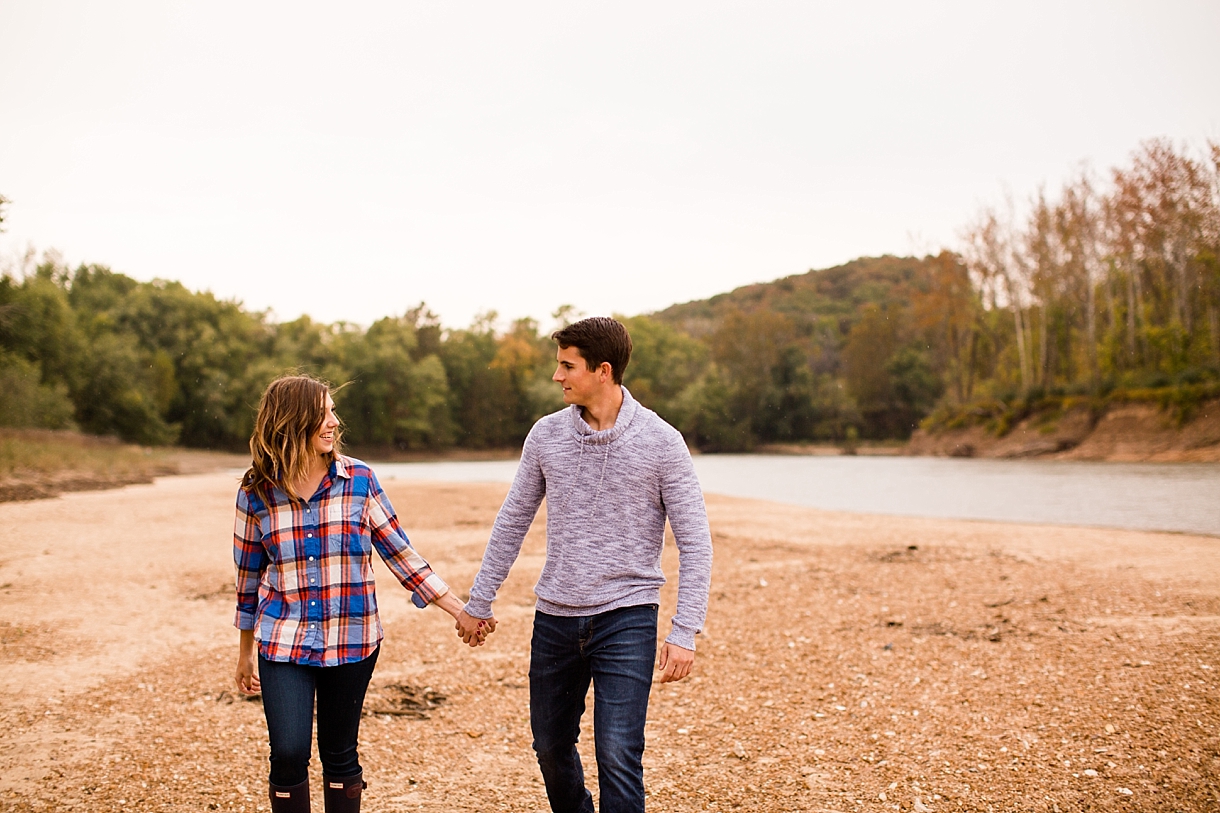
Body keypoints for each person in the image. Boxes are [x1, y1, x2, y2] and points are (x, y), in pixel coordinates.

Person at [456, 316, 713, 813]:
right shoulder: (546, 436)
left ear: (603, 371)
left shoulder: (662, 442)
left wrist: (685, 630)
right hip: (555, 617)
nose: (557, 376)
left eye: (566, 366)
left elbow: (695, 542)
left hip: (627, 616)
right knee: (550, 748)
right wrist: (478, 600)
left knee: (618, 752)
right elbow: (512, 521)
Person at [233, 374, 489, 813]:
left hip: (353, 639)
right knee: (289, 752)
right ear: (294, 422)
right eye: (324, 413)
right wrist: (243, 653)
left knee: (339, 752)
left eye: (333, 411)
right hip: (281, 640)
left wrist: (460, 609)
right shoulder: (257, 491)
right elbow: (247, 579)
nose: (335, 421)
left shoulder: (359, 480)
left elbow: (401, 553)